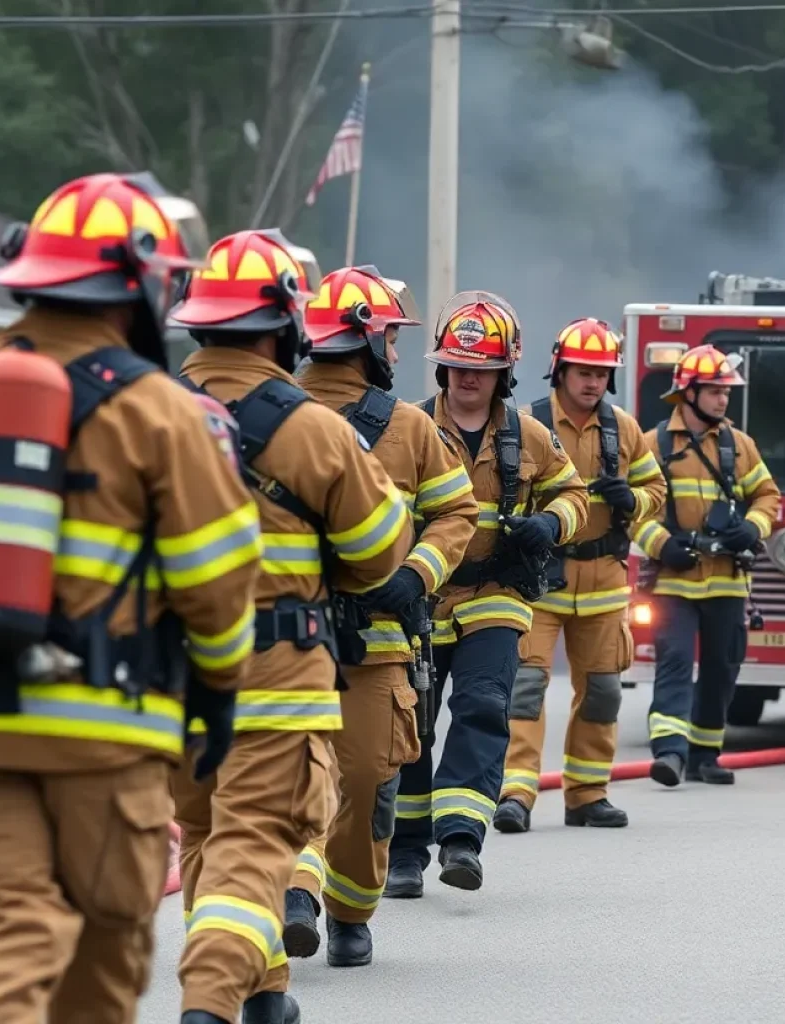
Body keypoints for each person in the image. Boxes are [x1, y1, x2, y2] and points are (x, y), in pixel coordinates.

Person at [0, 172, 261, 1024]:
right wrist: (220, 690)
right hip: (106, 732)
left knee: (9, 923)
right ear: (144, 286)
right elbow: (217, 578)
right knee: (105, 944)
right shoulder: (164, 414)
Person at [168, 233, 414, 1024]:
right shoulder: (312, 428)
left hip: (165, 675)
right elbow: (379, 554)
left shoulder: (146, 411)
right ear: (286, 325)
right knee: (257, 835)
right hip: (273, 669)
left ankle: (266, 990)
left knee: (206, 831)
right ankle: (210, 1002)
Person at [279, 265, 479, 965]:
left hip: (379, 639)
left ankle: (349, 913)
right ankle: (297, 893)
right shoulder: (277, 414)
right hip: (291, 634)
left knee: (366, 780)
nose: (397, 353)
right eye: (391, 338)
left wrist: (417, 575)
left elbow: (457, 510)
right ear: (364, 340)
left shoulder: (410, 428)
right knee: (299, 770)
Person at [385, 291, 590, 898]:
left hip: (496, 595)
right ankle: (404, 852)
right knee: (411, 726)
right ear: (442, 367)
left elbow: (573, 494)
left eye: (482, 367)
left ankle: (460, 839)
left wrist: (551, 524)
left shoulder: (529, 436)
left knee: (482, 704)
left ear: (504, 372)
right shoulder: (408, 428)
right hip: (421, 597)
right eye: (458, 364)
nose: (469, 375)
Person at [493, 318, 666, 833]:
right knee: (525, 686)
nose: (592, 382)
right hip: (542, 582)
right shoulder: (529, 424)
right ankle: (516, 793)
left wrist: (631, 499)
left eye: (600, 373)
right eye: (582, 371)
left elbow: (655, 491)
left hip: (604, 584)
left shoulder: (625, 429)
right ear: (560, 371)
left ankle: (587, 794)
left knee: (604, 691)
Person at [632, 344, 780, 787]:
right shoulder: (653, 443)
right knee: (675, 660)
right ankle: (671, 754)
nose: (722, 399)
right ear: (688, 393)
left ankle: (706, 754)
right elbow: (636, 509)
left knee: (721, 668)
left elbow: (767, 496)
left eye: (726, 392)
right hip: (675, 580)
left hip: (727, 582)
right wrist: (662, 545)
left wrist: (752, 529)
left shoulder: (739, 445)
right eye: (715, 391)